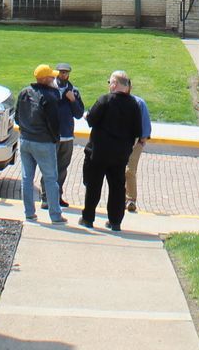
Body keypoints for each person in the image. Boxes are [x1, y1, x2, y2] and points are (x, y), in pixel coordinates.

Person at [80, 70, 145, 231]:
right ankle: (115, 221)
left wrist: (87, 116)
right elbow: (137, 131)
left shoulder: (104, 100)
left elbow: (91, 119)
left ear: (115, 84)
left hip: (99, 152)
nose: (109, 85)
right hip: (120, 155)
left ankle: (88, 218)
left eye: (110, 82)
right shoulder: (134, 105)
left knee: (94, 186)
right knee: (117, 187)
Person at [14, 64, 68, 224]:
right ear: (45, 79)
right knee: (51, 178)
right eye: (52, 77)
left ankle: (29, 213)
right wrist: (54, 138)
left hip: (25, 140)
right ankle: (55, 215)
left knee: (26, 178)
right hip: (43, 142)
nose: (54, 79)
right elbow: (54, 122)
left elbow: (17, 117)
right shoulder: (50, 97)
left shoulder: (24, 92)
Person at [53, 61, 86, 194]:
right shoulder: (50, 89)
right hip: (52, 136)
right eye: (61, 72)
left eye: (65, 72)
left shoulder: (74, 91)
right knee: (50, 168)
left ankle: (58, 195)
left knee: (62, 168)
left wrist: (72, 100)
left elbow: (78, 114)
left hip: (67, 136)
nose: (63, 75)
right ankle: (46, 197)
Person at [126, 86, 152, 213]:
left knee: (129, 170)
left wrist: (142, 141)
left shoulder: (139, 103)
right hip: (119, 142)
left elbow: (146, 124)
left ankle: (131, 199)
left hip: (136, 143)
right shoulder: (113, 101)